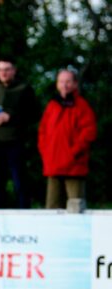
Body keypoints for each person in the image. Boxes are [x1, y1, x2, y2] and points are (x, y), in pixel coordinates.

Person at [37, 68, 97, 210]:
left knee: (76, 207)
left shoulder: (82, 106)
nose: (65, 85)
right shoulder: (52, 106)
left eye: (68, 81)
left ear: (75, 84)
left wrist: (73, 153)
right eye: (61, 81)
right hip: (53, 165)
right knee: (52, 208)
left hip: (74, 166)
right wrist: (46, 153)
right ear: (57, 84)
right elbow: (42, 131)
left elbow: (89, 133)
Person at [0, 57, 39, 208]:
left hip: (16, 143)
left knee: (20, 183)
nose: (3, 73)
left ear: (14, 70)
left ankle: (24, 216)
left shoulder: (24, 89)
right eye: (0, 70)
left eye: (7, 69)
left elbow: (33, 114)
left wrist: (11, 116)